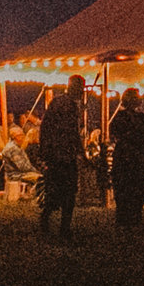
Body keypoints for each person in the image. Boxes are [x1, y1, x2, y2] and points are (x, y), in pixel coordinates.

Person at [37, 75, 86, 237]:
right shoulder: (68, 106)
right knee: (68, 192)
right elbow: (72, 133)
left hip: (57, 155)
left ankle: (48, 220)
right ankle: (62, 226)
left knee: (56, 191)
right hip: (63, 155)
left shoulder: (58, 103)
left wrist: (45, 150)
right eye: (80, 88)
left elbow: (45, 127)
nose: (81, 92)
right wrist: (81, 152)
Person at [110, 87, 144, 228]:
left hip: (131, 156)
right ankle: (127, 217)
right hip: (129, 156)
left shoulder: (135, 117)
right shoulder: (127, 117)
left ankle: (131, 217)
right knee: (127, 187)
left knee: (132, 188)